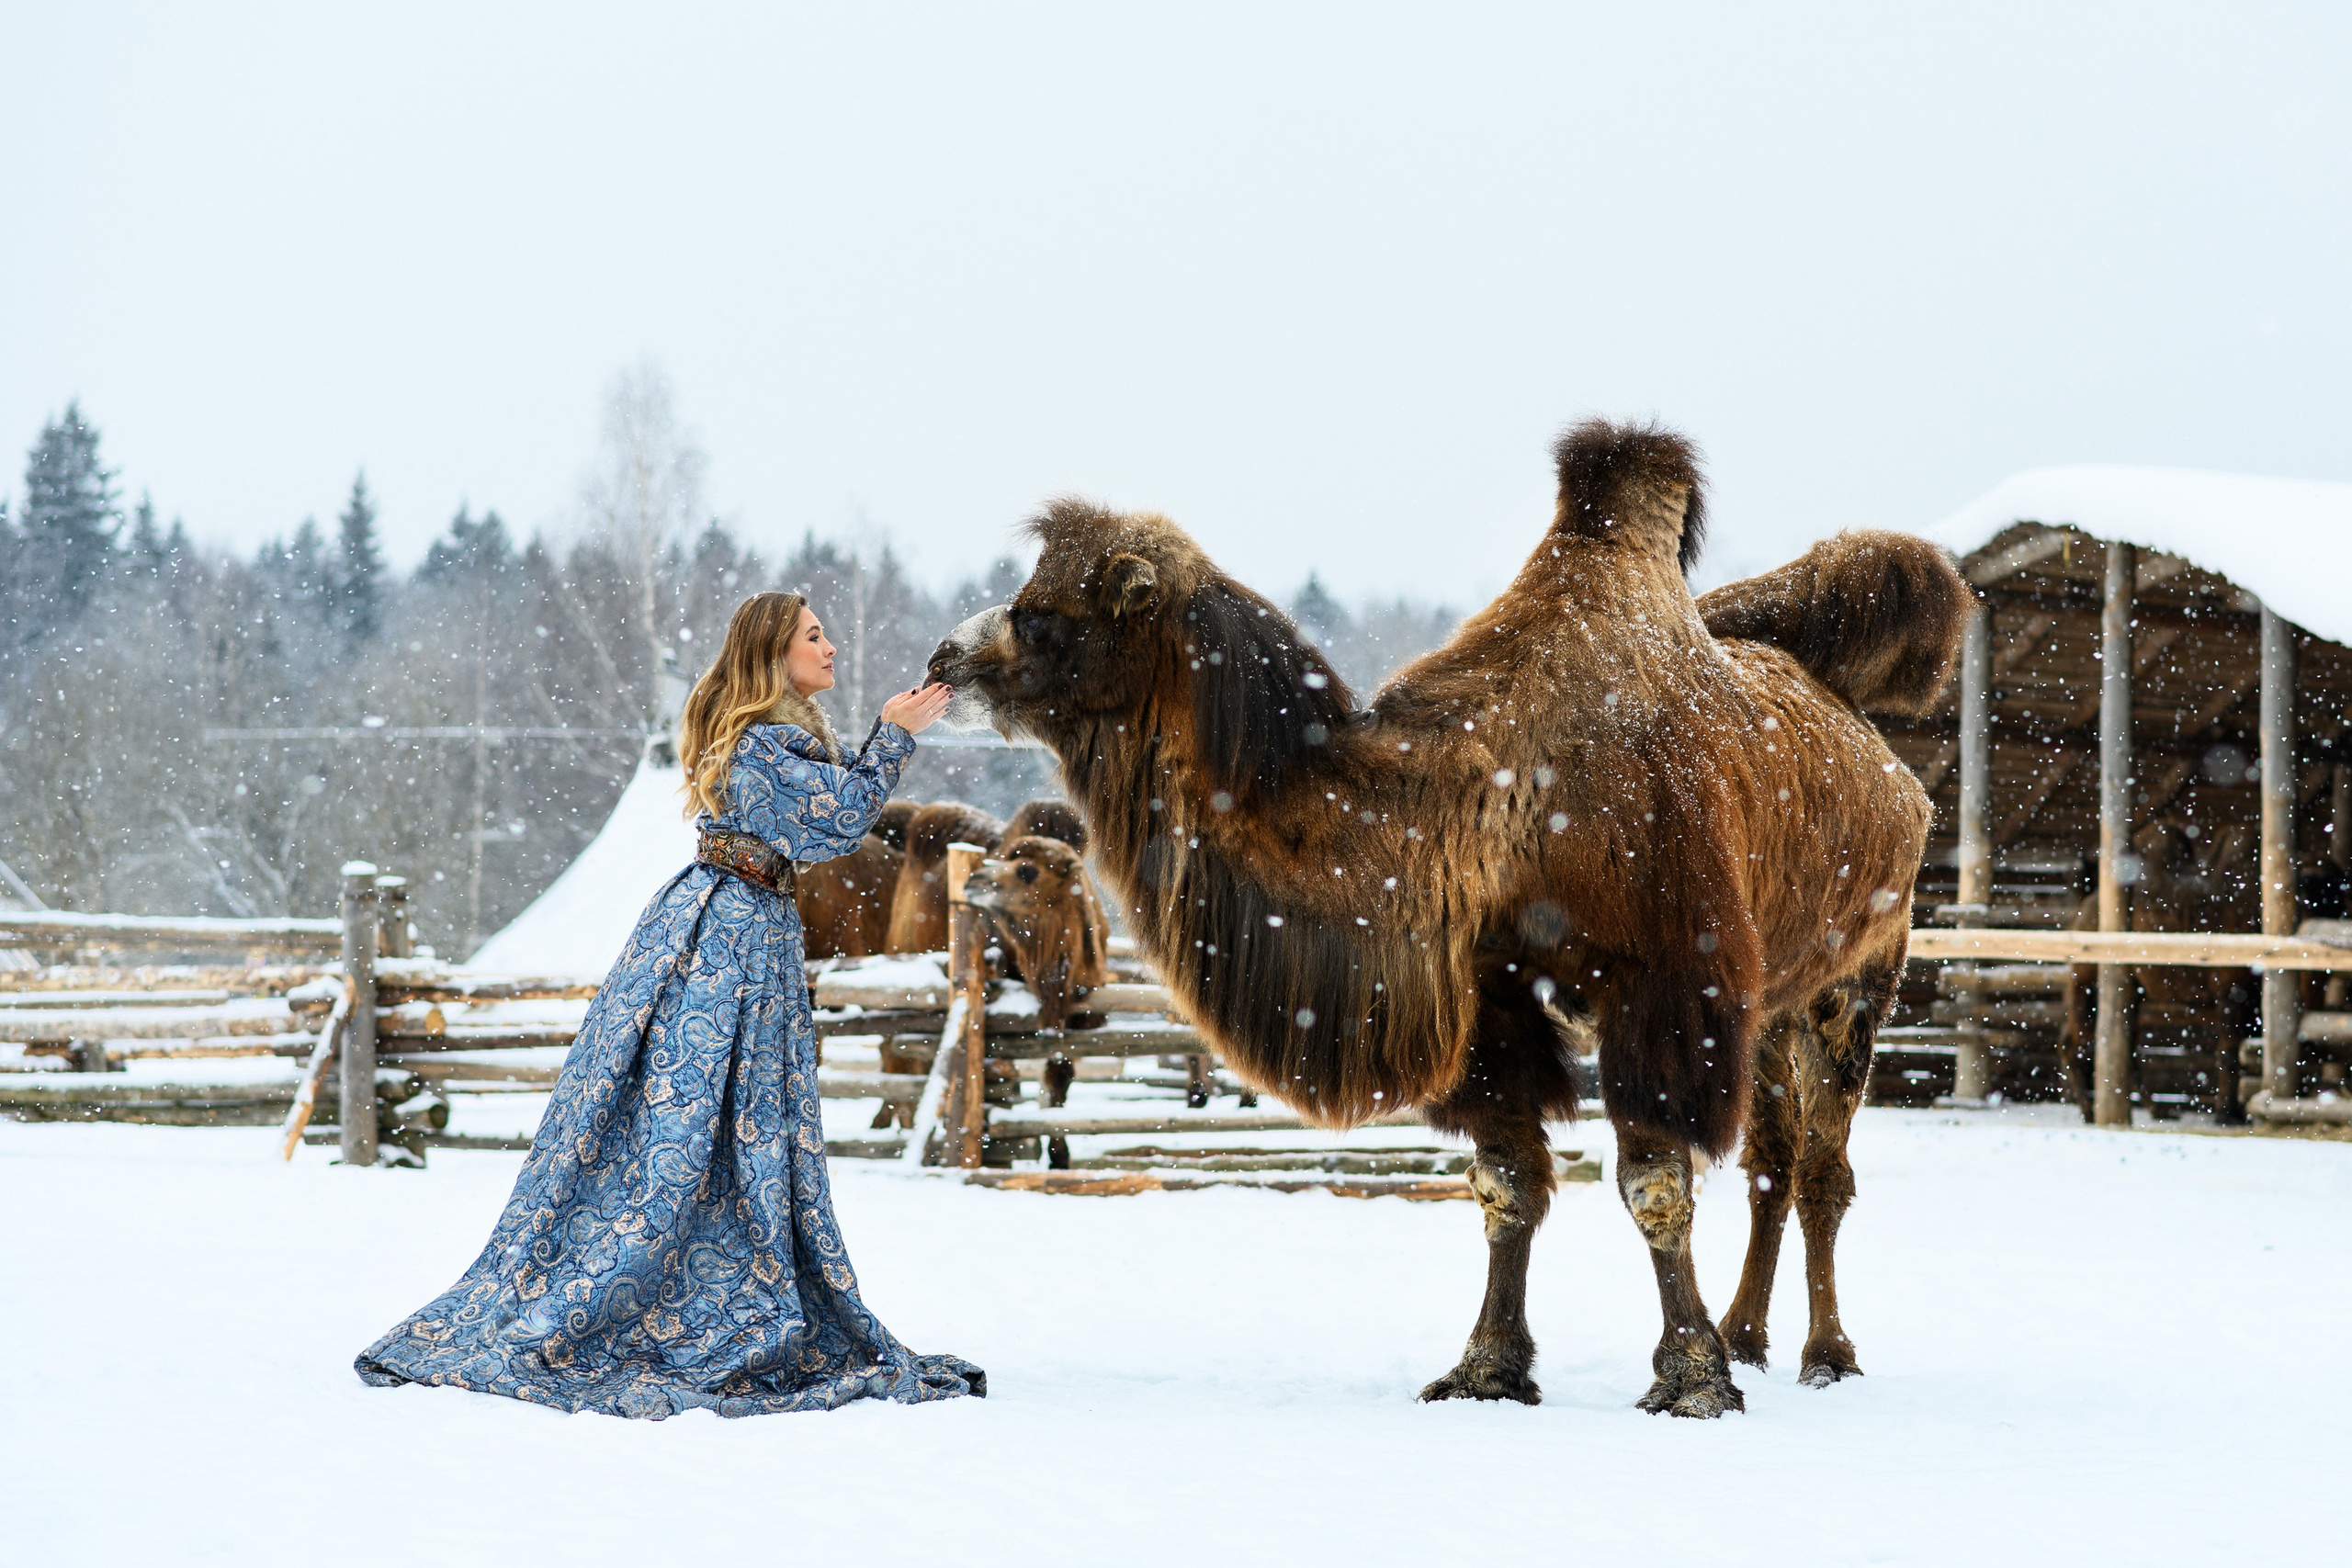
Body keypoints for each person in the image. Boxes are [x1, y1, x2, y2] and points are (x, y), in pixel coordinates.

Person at [356, 592, 980, 1418]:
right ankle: (664, 1289)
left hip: (744, 926)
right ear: (774, 653)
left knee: (729, 1118)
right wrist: (893, 732)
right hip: (723, 939)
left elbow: (826, 816)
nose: (831, 646)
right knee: (692, 1119)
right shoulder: (761, 743)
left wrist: (889, 732)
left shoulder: (775, 737)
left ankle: (714, 1269)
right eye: (814, 636)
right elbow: (837, 823)